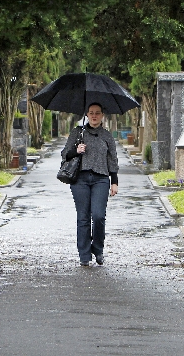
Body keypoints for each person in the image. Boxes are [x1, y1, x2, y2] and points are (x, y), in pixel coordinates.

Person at [61, 103, 119, 266]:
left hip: (101, 179)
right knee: (83, 217)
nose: (94, 116)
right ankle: (84, 254)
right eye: (91, 113)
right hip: (80, 179)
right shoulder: (77, 132)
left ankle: (98, 248)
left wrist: (114, 181)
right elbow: (65, 154)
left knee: (99, 216)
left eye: (97, 113)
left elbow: (112, 159)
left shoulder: (107, 136)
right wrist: (76, 150)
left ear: (102, 116)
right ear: (86, 114)